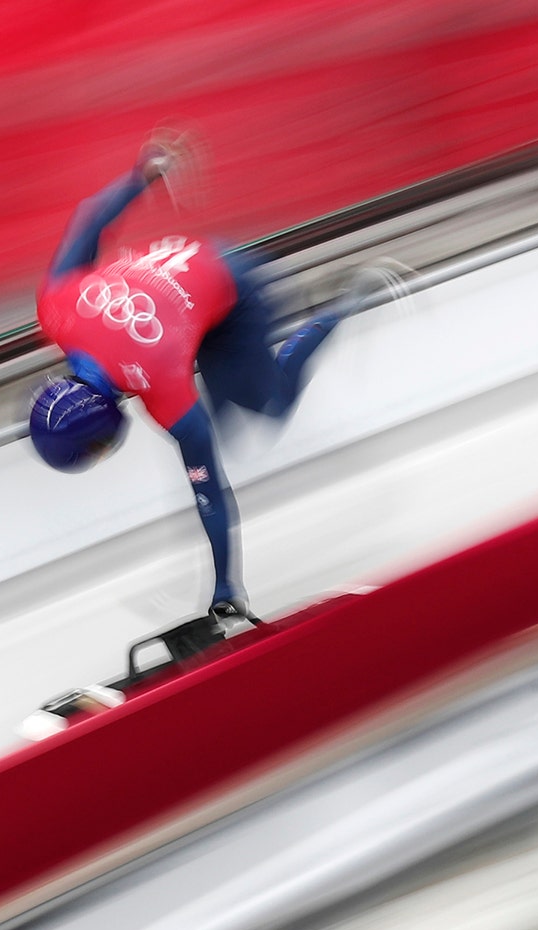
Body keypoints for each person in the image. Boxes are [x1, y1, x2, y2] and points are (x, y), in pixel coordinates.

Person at [30, 139, 374, 621]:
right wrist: (142, 174)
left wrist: (226, 588)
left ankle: (341, 306)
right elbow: (89, 218)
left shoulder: (162, 390)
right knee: (223, 425)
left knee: (268, 407)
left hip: (237, 295)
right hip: (190, 284)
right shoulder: (54, 309)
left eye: (96, 453)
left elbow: (209, 488)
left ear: (103, 432)